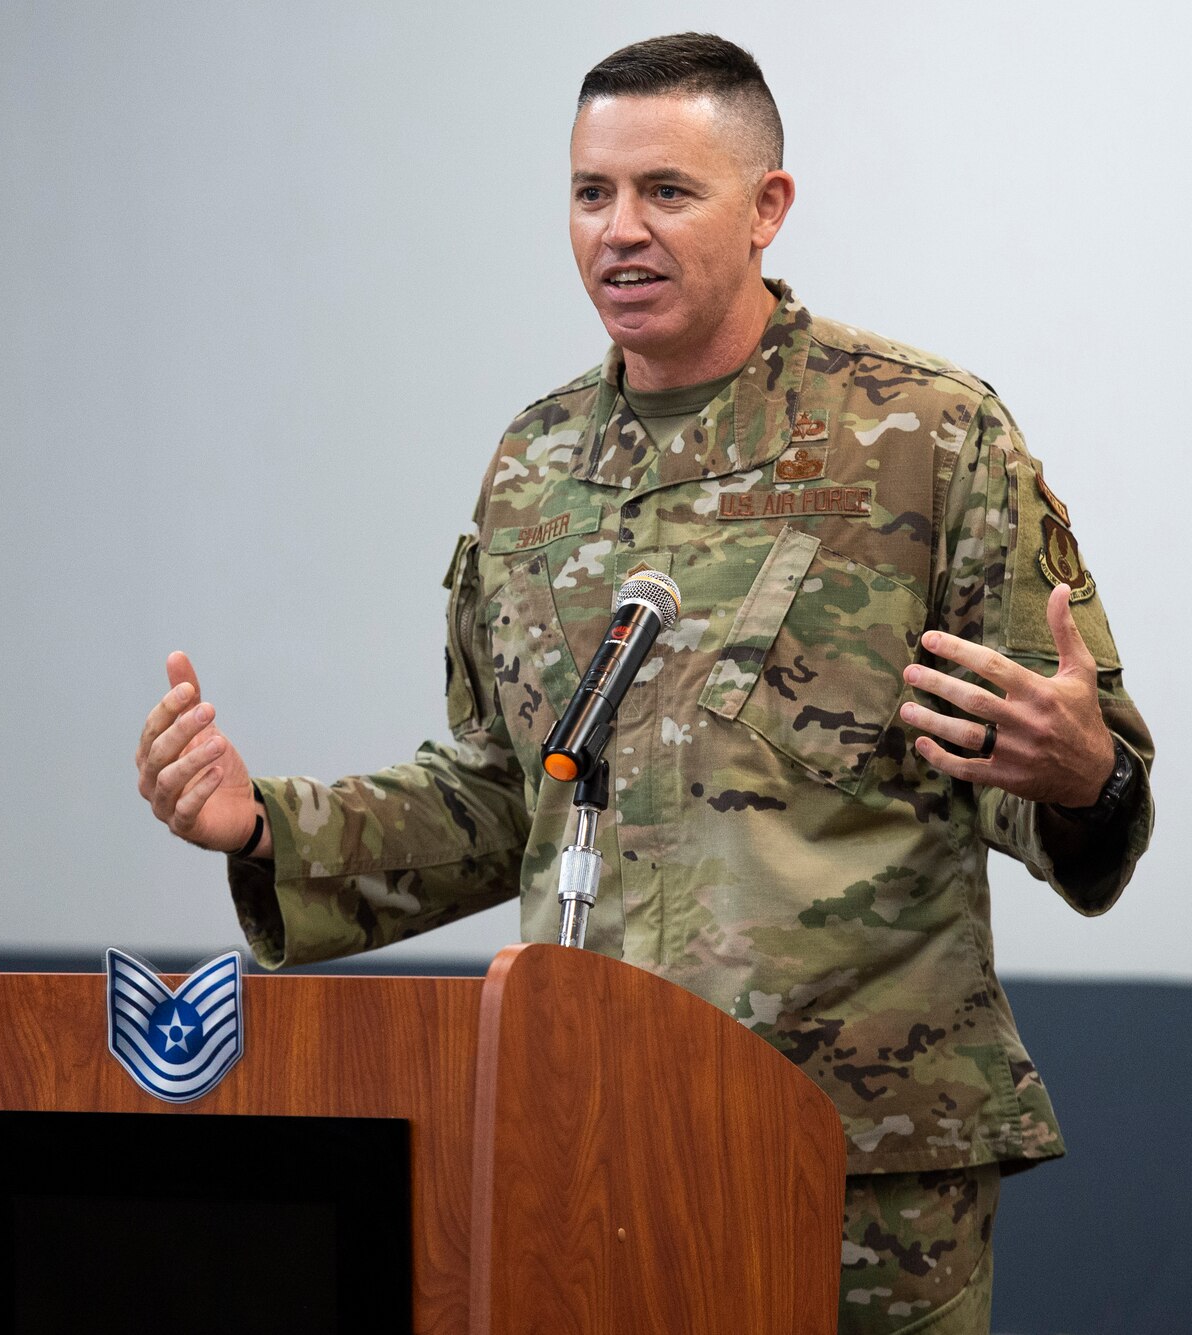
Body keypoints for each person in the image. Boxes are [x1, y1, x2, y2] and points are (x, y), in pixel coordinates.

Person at [134, 33, 1150, 1335]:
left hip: (859, 1159)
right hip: (588, 1132)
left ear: (767, 206)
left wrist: (1084, 775)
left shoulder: (928, 436)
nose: (620, 229)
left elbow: (1065, 772)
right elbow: (511, 795)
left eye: (668, 190)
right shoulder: (536, 463)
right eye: (590, 192)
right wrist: (269, 824)